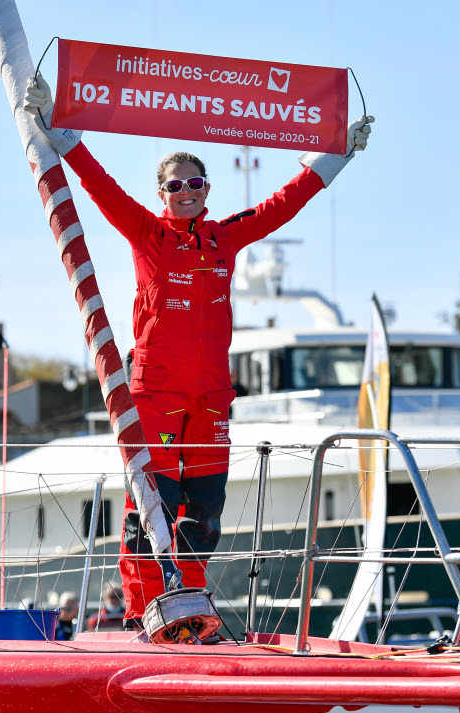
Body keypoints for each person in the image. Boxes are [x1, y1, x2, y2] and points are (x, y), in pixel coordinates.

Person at [24, 75, 374, 624]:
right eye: (175, 186)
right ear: (161, 193)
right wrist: (58, 130)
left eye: (195, 183)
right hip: (156, 393)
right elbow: (100, 185)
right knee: (151, 510)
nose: (186, 192)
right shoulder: (148, 235)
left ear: (207, 190)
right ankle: (145, 612)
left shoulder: (224, 239)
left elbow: (284, 204)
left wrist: (338, 154)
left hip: (211, 397)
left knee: (203, 514)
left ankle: (188, 609)